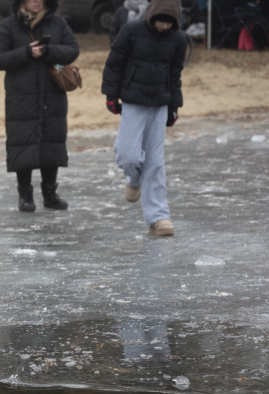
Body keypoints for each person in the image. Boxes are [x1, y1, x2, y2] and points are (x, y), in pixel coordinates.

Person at [101, 0, 186, 237]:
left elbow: (175, 74)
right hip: (133, 101)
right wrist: (111, 95)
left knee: (155, 162)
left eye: (169, 23)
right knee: (127, 155)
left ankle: (159, 217)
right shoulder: (131, 31)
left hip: (159, 104)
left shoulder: (178, 40)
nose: (163, 26)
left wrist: (174, 106)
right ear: (152, 15)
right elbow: (114, 63)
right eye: (160, 21)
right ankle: (134, 178)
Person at [0, 0, 79, 213]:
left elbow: (73, 50)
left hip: (53, 94)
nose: (38, 1)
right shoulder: (8, 25)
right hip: (21, 96)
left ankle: (50, 193)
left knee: (52, 141)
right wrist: (26, 53)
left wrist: (48, 52)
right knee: (23, 142)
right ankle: (25, 194)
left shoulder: (58, 22)